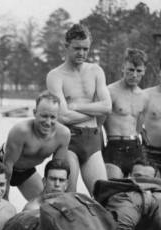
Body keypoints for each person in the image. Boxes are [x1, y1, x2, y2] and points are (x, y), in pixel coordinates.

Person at [45, 23, 110, 194]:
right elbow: (64, 117)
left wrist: (76, 106)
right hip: (69, 139)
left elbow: (107, 107)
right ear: (66, 47)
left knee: (103, 195)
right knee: (69, 196)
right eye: (77, 48)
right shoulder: (55, 76)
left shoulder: (96, 71)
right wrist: (94, 111)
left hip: (93, 139)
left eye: (85, 49)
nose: (81, 53)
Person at [0, 91, 70, 200]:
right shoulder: (21, 131)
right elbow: (7, 165)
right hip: (2, 165)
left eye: (53, 117)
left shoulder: (63, 135)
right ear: (34, 112)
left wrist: (56, 198)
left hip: (26, 170)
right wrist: (5, 198)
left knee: (46, 203)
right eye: (44, 116)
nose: (48, 122)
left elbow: (56, 169)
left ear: (58, 116)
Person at [104, 48, 148, 179]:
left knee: (139, 189)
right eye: (130, 70)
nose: (134, 75)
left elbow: (139, 127)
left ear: (144, 71)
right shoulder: (109, 91)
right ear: (123, 68)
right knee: (112, 189)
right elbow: (99, 122)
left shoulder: (144, 96)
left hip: (135, 147)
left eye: (138, 71)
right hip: (114, 146)